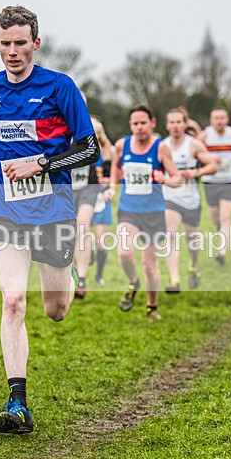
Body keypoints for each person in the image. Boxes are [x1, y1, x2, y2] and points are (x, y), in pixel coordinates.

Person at [0, 5, 98, 433]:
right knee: (13, 300)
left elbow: (89, 149)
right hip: (9, 213)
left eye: (21, 43)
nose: (13, 51)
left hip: (54, 211)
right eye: (6, 44)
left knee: (55, 310)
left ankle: (70, 272)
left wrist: (41, 163)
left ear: (36, 43)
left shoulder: (60, 87)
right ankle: (17, 401)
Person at [107, 105, 180, 319]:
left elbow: (176, 178)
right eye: (135, 124)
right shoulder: (122, 145)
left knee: (149, 265)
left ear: (152, 123)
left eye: (143, 123)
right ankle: (133, 282)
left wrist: (165, 179)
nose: (139, 127)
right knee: (124, 252)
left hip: (154, 213)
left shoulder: (160, 148)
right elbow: (115, 165)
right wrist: (112, 186)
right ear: (130, 125)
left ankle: (151, 306)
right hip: (128, 210)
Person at [162, 109, 218, 292]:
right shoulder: (162, 146)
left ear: (185, 124)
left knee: (191, 240)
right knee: (171, 234)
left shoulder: (193, 145)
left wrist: (196, 172)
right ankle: (174, 280)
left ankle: (194, 265)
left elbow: (212, 165)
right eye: (172, 122)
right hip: (169, 197)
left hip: (190, 200)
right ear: (166, 125)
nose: (175, 126)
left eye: (179, 122)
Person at [198, 107, 231, 266]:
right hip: (210, 181)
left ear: (227, 119)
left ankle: (222, 253)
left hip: (229, 180)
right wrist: (209, 160)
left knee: (226, 216)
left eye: (222, 118)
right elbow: (196, 154)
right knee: (214, 216)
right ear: (211, 120)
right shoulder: (205, 136)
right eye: (216, 118)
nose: (219, 121)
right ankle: (219, 227)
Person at [71, 115, 108, 299]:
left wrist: (108, 173)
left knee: (82, 229)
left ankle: (82, 280)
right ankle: (73, 272)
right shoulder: (54, 126)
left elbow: (107, 148)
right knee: (65, 233)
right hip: (65, 188)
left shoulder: (90, 126)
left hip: (88, 186)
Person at [90, 116, 115, 286]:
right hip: (84, 195)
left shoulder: (109, 151)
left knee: (101, 238)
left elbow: (115, 173)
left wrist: (111, 186)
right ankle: (85, 261)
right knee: (81, 234)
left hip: (102, 197)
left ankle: (99, 275)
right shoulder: (78, 148)